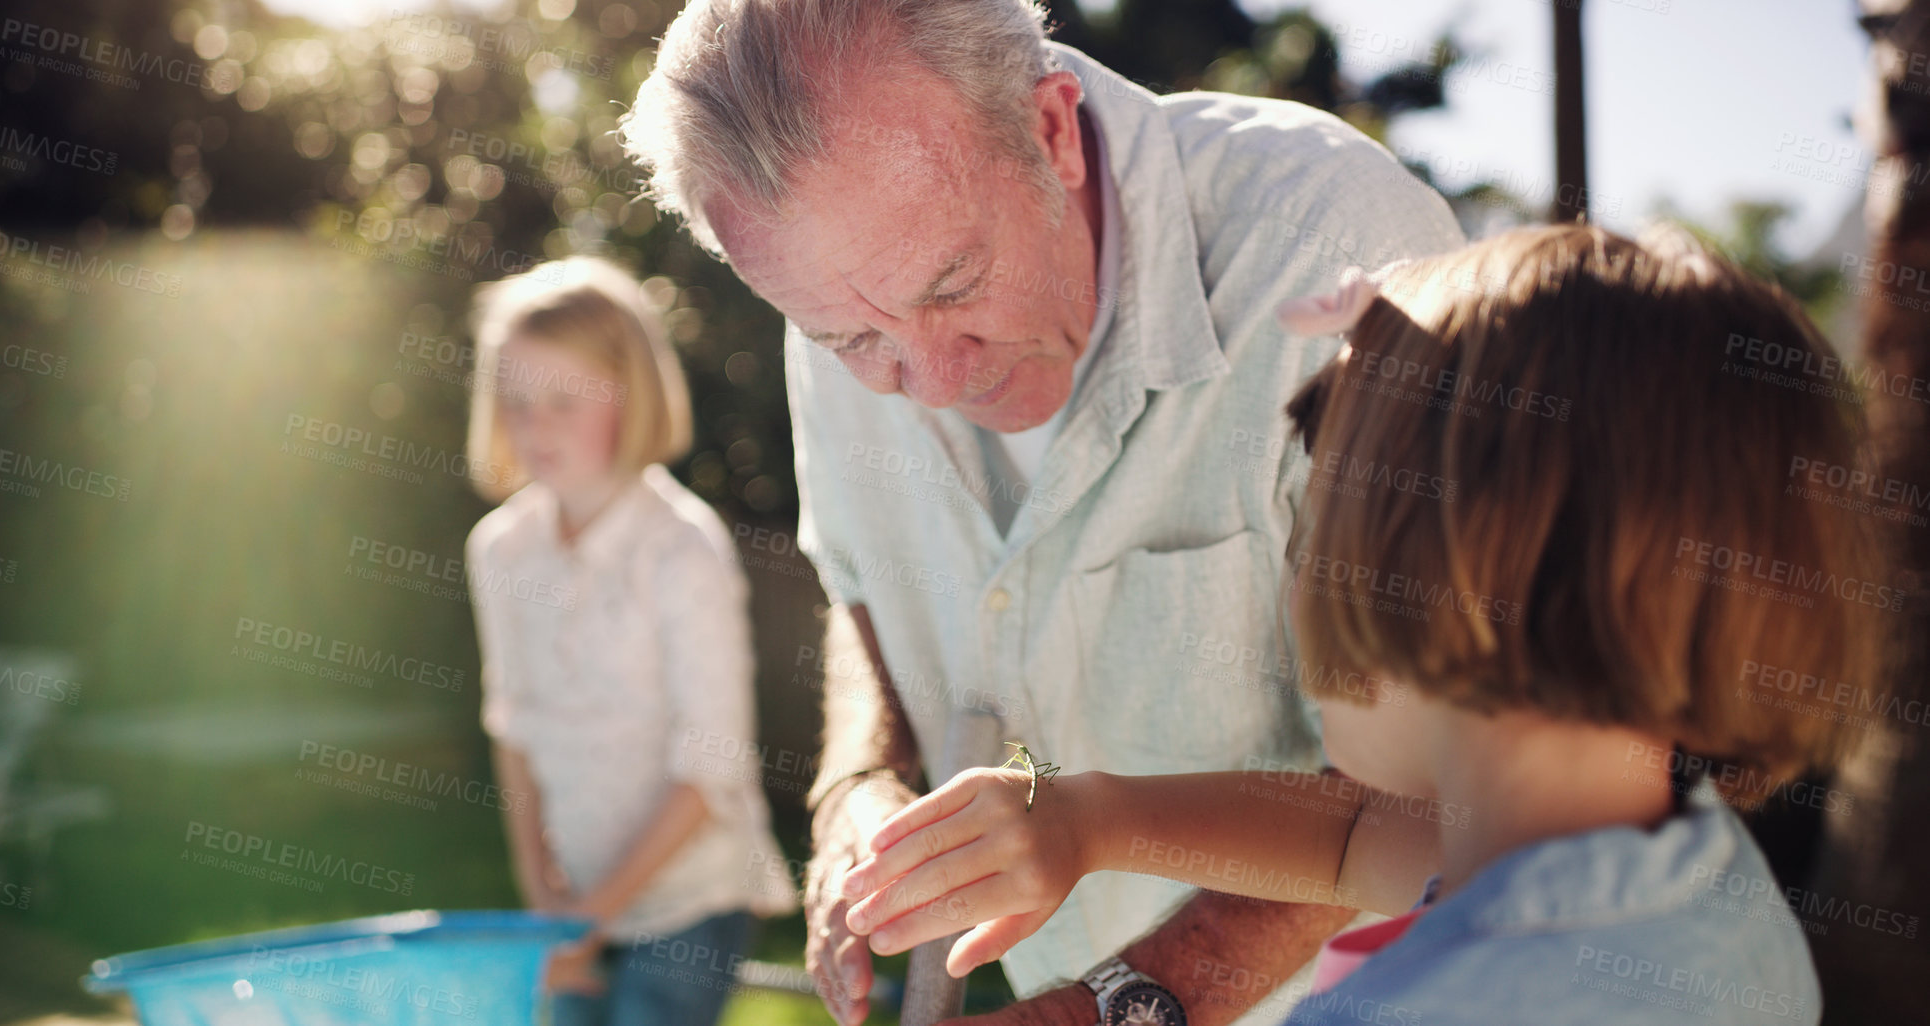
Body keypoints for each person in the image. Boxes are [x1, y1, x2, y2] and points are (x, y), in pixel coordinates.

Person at [621, 3, 1464, 1022]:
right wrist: (854, 782)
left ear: (1053, 131)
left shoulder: (1348, 261)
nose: (926, 382)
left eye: (958, 285)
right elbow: (860, 579)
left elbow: (1430, 796)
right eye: (852, 341)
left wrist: (1111, 1009)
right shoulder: (840, 287)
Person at [838, 224, 1898, 1025]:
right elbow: (1356, 840)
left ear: (1451, 561)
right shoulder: (1671, 863)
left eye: (1329, 508)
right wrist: (1089, 819)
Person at [462, 257, 796, 1026]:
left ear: (630, 394)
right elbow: (511, 721)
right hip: (571, 898)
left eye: (563, 401)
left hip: (691, 900)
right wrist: (545, 896)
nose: (535, 425)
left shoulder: (680, 550)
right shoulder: (501, 550)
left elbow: (710, 765)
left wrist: (591, 919)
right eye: (515, 400)